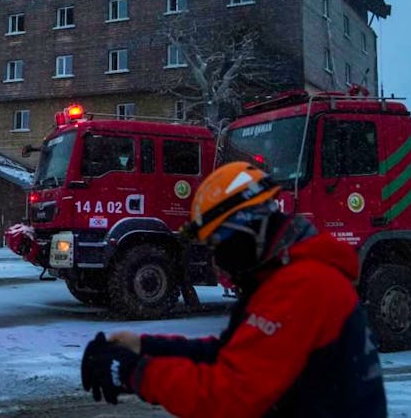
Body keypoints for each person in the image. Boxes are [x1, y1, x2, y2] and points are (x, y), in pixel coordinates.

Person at [80, 161, 387, 417]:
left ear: (248, 229)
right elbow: (229, 354)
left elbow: (230, 396)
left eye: (219, 244)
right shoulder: (282, 278)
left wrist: (134, 372)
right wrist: (145, 347)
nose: (218, 259)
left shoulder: (303, 286)